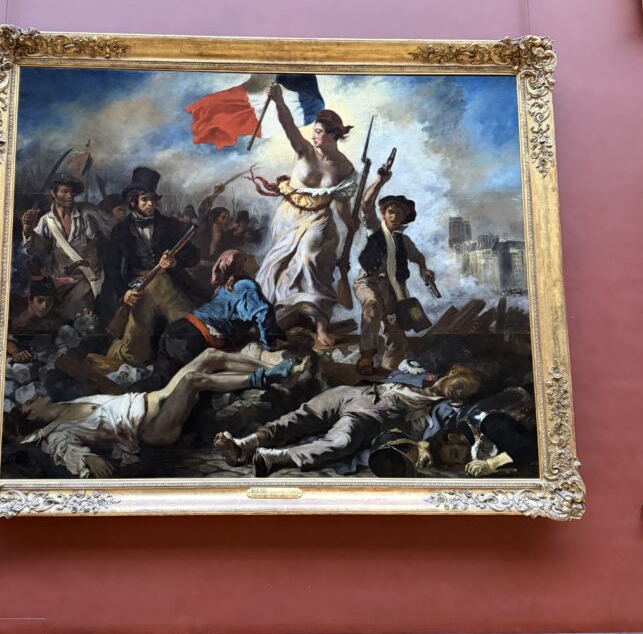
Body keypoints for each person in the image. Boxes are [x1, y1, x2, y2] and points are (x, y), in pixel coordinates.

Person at [20, 347, 295, 478]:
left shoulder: (70, 403)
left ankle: (278, 370)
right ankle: (263, 378)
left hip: (155, 398)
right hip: (153, 428)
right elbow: (65, 450)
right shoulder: (57, 433)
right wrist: (89, 459)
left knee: (210, 355)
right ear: (32, 417)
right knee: (192, 380)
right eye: (29, 404)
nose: (34, 397)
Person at [214, 363, 480, 476]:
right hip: (352, 393)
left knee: (340, 442)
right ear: (452, 373)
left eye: (464, 393)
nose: (459, 392)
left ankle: (273, 457)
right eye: (460, 384)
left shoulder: (440, 409)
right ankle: (243, 444)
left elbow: (430, 435)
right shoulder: (418, 371)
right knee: (297, 419)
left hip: (368, 416)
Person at [252, 84, 357, 347]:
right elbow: (288, 126)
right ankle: (281, 319)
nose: (314, 136)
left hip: (319, 218)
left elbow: (342, 203)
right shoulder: (304, 150)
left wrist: (349, 223)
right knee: (280, 268)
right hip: (288, 215)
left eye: (319, 132)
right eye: (314, 131)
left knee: (310, 258)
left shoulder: (344, 167)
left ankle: (321, 325)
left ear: (333, 135)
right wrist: (278, 100)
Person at [93, 167, 200, 369]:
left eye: (153, 199)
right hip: (134, 286)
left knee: (167, 292)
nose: (150, 204)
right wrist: (124, 293)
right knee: (136, 337)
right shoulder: (120, 230)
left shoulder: (170, 225)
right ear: (133, 201)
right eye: (144, 199)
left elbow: (194, 255)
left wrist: (175, 262)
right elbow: (112, 268)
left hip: (170, 282)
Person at [135, 249, 285, 391]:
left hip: (176, 330)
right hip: (195, 339)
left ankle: (126, 396)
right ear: (240, 264)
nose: (254, 260)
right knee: (203, 387)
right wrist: (270, 343)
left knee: (159, 381)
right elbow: (263, 312)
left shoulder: (224, 286)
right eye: (247, 258)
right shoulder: (247, 285)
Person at [353, 165, 435, 376]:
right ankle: (366, 356)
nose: (395, 216)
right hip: (369, 282)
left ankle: (388, 370)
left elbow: (418, 257)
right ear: (384, 213)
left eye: (399, 213)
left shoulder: (404, 241)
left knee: (395, 330)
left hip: (393, 289)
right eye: (391, 211)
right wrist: (381, 181)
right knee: (372, 307)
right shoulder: (374, 228)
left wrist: (424, 270)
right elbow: (366, 204)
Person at [21, 175, 118, 319]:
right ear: (53, 193)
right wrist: (28, 229)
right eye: (64, 191)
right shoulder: (46, 221)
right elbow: (35, 250)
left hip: (88, 280)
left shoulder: (88, 213)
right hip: (60, 284)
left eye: (72, 192)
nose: (70, 195)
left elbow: (116, 230)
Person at [6, 279, 61, 362]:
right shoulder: (13, 314)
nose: (44, 306)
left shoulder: (53, 320)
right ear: (30, 299)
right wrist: (15, 352)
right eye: (40, 300)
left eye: (49, 301)